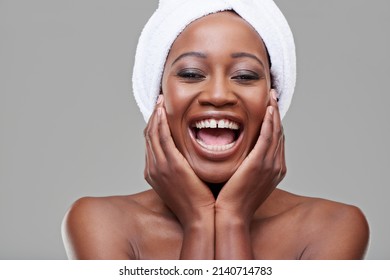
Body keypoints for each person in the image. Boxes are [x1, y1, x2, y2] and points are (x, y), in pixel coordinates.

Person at [62, 0, 369, 259]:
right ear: (158, 95)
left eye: (245, 76)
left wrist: (232, 217)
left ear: (272, 99)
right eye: (192, 73)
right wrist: (199, 219)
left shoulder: (333, 227)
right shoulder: (101, 224)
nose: (219, 95)